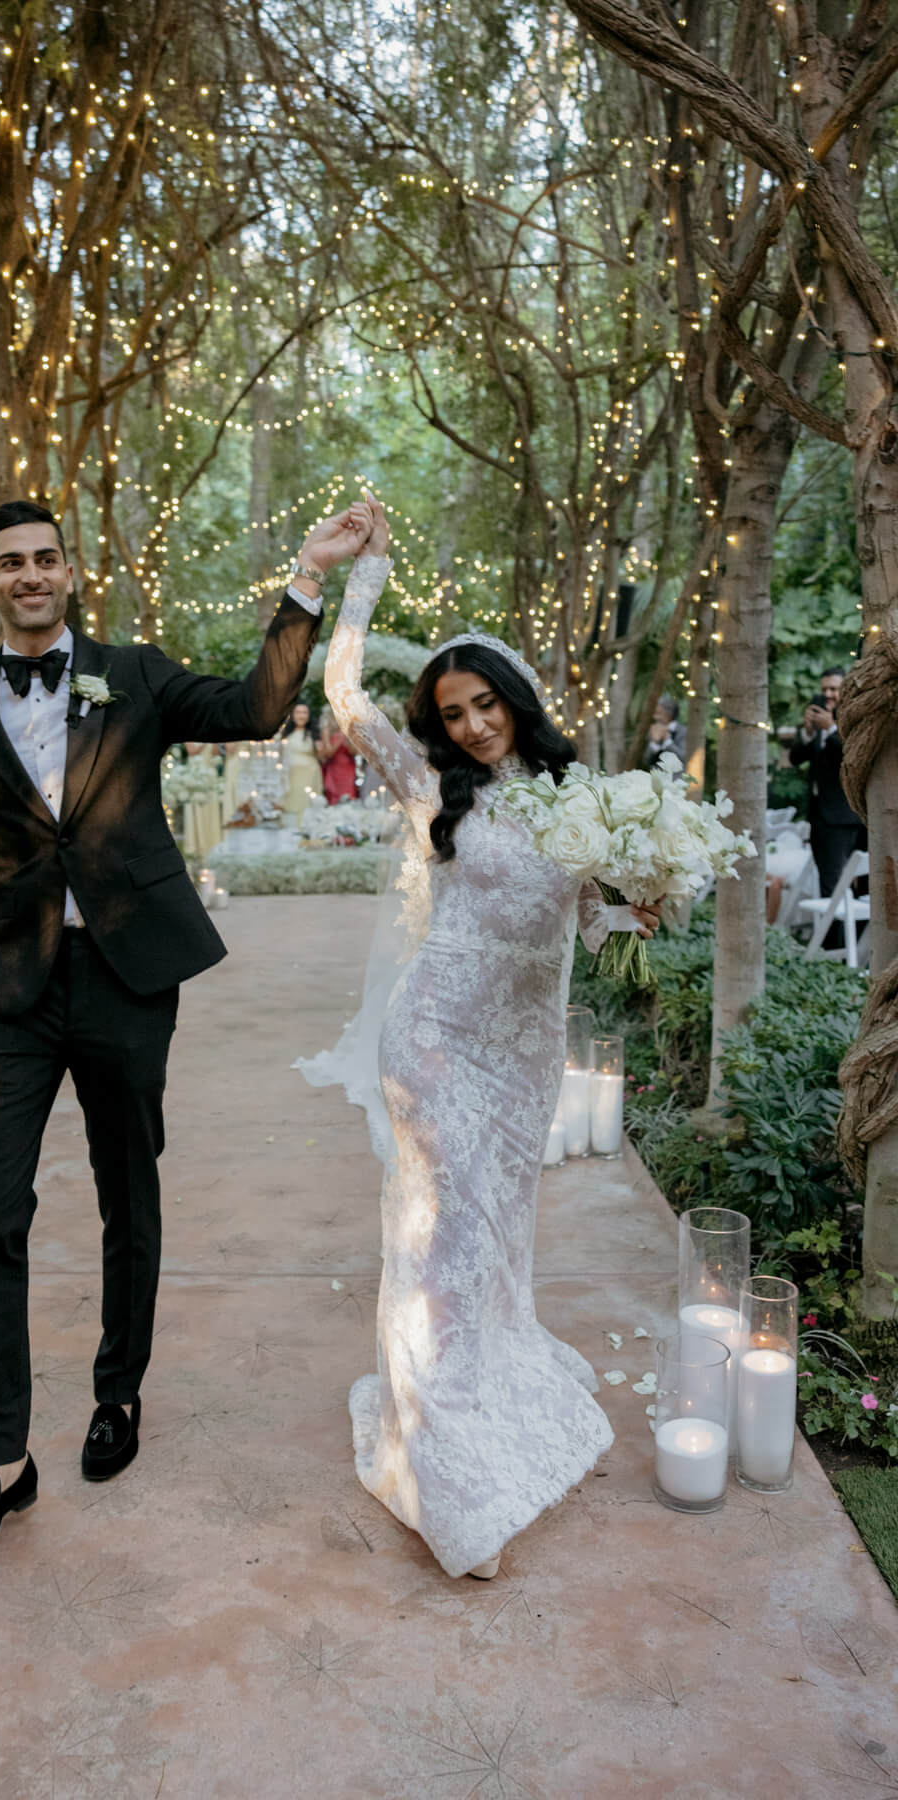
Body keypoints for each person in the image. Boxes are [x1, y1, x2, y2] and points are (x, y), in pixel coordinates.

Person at [0, 494, 362, 1554]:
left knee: (128, 1190)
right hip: (10, 988)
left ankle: (117, 1392)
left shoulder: (134, 674)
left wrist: (307, 577)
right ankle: (1, 1461)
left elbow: (256, 707)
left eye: (46, 558)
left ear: (70, 572)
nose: (32, 575)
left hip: (128, 975)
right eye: (12, 563)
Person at [320, 494, 660, 1581]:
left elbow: (586, 920)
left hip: (523, 1056)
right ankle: (444, 1465)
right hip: (435, 1041)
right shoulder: (433, 785)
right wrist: (362, 574)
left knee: (497, 1237)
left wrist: (640, 909)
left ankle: (486, 1385)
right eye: (452, 712)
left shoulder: (574, 797)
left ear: (515, 700)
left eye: (483, 705)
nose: (471, 726)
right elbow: (341, 694)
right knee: (437, 1246)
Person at [788, 666, 864, 898]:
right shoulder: (818, 718)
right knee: (827, 880)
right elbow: (795, 758)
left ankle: (839, 923)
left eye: (833, 689)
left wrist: (831, 728)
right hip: (819, 817)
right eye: (824, 689)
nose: (828, 694)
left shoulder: (853, 717)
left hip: (843, 816)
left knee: (840, 885)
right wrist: (808, 733)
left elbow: (853, 755)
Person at [280, 701, 322, 818]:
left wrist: (320, 748)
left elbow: (322, 757)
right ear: (292, 715)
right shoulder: (285, 734)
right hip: (290, 775)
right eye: (298, 712)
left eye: (304, 712)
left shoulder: (313, 734)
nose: (301, 716)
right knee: (290, 805)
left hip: (309, 774)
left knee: (307, 806)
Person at [317, 710, 359, 804]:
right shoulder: (327, 729)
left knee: (348, 797)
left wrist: (348, 738)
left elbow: (354, 752)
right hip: (333, 769)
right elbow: (329, 753)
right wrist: (340, 740)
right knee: (333, 798)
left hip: (348, 770)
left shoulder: (351, 729)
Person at [642, 694, 686, 770]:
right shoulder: (654, 729)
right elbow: (647, 760)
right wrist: (655, 743)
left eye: (658, 711)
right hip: (657, 775)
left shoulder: (683, 731)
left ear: (669, 712)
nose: (654, 713)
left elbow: (683, 757)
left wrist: (667, 741)